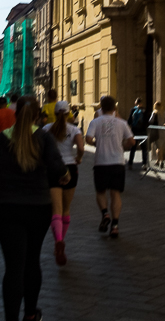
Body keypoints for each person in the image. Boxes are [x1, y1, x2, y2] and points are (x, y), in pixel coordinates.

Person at [0, 95, 69, 321]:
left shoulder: (2, 139)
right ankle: (30, 314)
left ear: (14, 114)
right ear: (38, 115)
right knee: (32, 260)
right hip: (38, 207)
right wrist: (66, 176)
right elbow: (58, 169)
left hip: (8, 207)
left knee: (13, 266)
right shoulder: (44, 138)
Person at [42, 100, 85, 265]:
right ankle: (59, 242)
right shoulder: (74, 129)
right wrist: (79, 159)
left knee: (56, 211)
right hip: (70, 168)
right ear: (68, 113)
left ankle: (58, 239)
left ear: (55, 112)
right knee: (66, 209)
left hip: (52, 169)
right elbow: (81, 148)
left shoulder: (46, 129)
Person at [86, 95, 134, 238]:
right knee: (115, 194)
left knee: (100, 192)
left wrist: (96, 143)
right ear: (114, 108)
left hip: (101, 162)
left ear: (101, 107)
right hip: (117, 162)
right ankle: (115, 226)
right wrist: (122, 146)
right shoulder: (122, 123)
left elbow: (88, 138)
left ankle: (105, 214)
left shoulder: (95, 121)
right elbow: (131, 142)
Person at [127, 98, 149, 170]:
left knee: (133, 148)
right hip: (143, 132)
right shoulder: (144, 110)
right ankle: (144, 164)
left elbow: (129, 120)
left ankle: (130, 163)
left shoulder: (133, 110)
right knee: (144, 148)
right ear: (141, 103)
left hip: (134, 131)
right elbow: (147, 121)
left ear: (136, 103)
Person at [149, 101, 165, 168]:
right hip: (163, 131)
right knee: (161, 147)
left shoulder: (154, 113)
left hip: (156, 132)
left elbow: (150, 121)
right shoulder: (164, 112)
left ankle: (161, 161)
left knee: (158, 147)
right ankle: (159, 161)